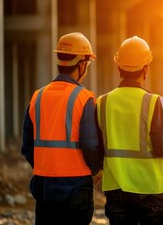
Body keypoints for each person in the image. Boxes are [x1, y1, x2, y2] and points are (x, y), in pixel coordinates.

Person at [96, 35, 163, 225]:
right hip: (151, 189)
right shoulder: (152, 101)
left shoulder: (102, 102)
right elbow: (160, 147)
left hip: (116, 188)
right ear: (146, 69)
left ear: (118, 67)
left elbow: (97, 146)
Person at [21, 32, 103, 225]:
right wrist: (96, 170)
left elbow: (26, 147)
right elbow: (90, 143)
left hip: (44, 186)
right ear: (81, 64)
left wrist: (47, 165)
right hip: (75, 186)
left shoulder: (37, 97)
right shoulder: (84, 98)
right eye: (88, 64)